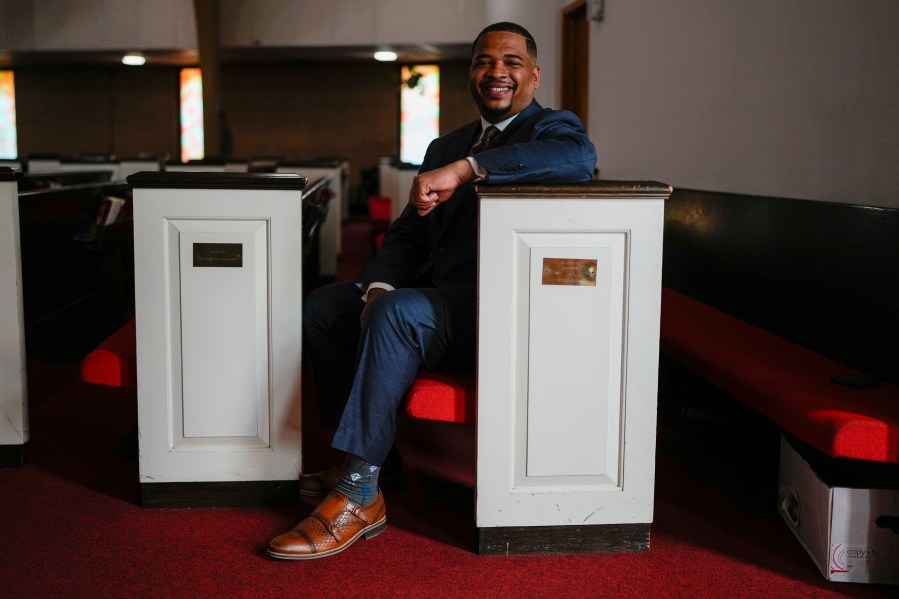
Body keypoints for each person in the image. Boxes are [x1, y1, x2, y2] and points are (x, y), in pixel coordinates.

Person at [267, 22, 596, 560]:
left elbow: (578, 162)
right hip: (439, 299)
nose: (497, 72)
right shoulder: (445, 143)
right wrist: (374, 285)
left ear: (534, 75)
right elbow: (408, 235)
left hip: (500, 308)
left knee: (397, 314)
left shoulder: (554, 131)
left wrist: (469, 170)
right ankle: (380, 460)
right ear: (470, 74)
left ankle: (358, 490)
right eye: (484, 62)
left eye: (512, 62)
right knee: (328, 306)